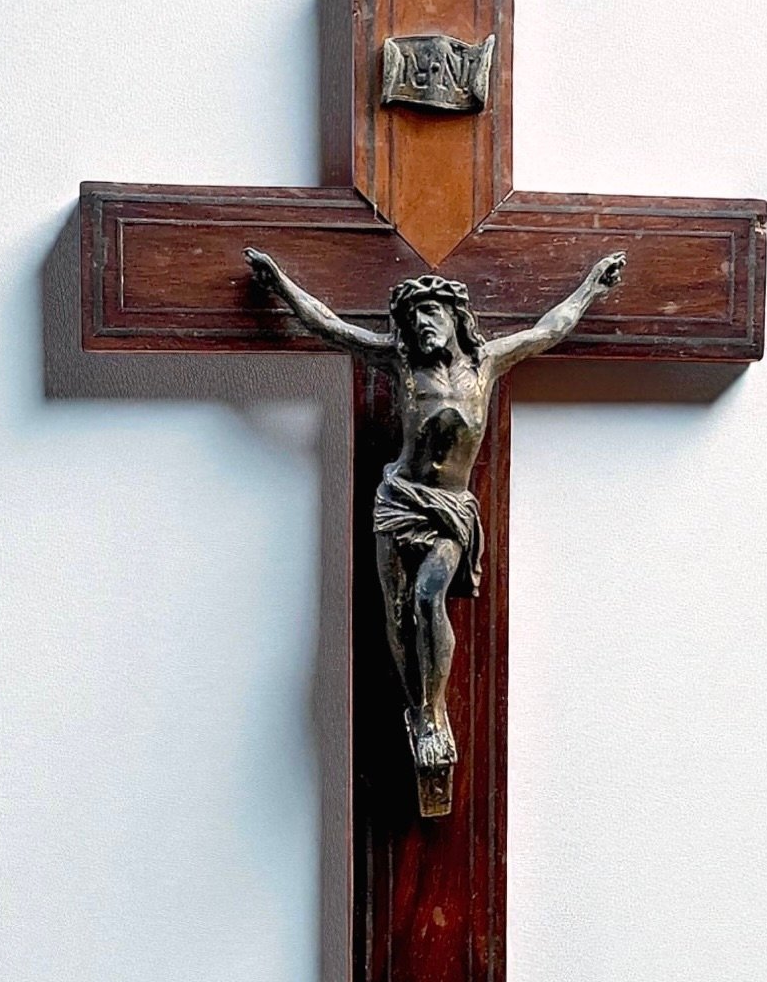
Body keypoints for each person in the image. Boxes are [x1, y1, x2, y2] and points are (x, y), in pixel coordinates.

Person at [244, 246, 626, 786]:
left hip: (450, 509)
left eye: (430, 312)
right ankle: (417, 710)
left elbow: (549, 329)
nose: (421, 323)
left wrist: (593, 286)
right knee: (398, 612)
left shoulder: (486, 363)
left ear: (454, 318)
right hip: (399, 498)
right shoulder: (401, 363)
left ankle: (433, 712)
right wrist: (281, 284)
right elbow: (330, 326)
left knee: (428, 598)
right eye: (412, 316)